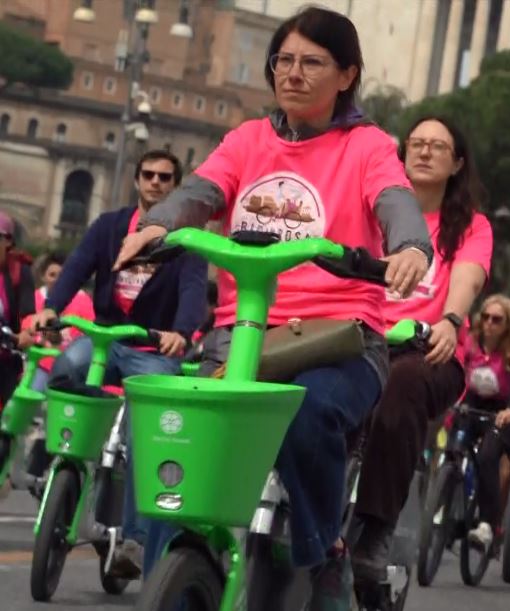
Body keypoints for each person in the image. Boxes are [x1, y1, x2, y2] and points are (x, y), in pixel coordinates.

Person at [112, 8, 432, 608]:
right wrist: (158, 224)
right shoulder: (247, 140)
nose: (293, 73)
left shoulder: (366, 145)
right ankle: (169, 571)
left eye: (312, 62)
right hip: (241, 338)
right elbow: (200, 192)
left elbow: (394, 199)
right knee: (170, 424)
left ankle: (324, 553)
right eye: (283, 60)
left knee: (308, 410)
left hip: (340, 341)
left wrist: (411, 246)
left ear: (347, 75)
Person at [30, 149, 208, 581]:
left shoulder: (186, 240)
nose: (155, 182)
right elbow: (77, 267)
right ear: (136, 180)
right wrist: (52, 307)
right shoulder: (110, 227)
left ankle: (134, 540)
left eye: (164, 177)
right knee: (65, 368)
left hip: (151, 350)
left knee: (146, 437)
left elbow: (193, 291)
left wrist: (181, 332)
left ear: (175, 186)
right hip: (105, 341)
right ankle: (65, 460)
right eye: (148, 174)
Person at [348, 115, 492, 584]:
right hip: (359, 338)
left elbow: (468, 276)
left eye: (438, 146)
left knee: (402, 384)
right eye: (417, 143)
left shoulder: (470, 227)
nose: (425, 152)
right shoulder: (371, 213)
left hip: (426, 351)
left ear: (458, 164)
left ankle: (375, 529)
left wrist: (451, 320)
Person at [459, 295, 510, 551]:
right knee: (454, 448)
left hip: (501, 414)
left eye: (497, 319)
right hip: (472, 406)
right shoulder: (471, 344)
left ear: (507, 324)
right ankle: (446, 502)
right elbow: (460, 374)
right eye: (486, 317)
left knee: (487, 456)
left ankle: (487, 523)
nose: (489, 323)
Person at [27, 253, 95, 391]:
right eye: (52, 275)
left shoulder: (83, 300)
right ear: (43, 277)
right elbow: (26, 328)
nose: (57, 280)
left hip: (72, 368)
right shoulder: (35, 298)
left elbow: (91, 334)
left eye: (61, 275)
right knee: (32, 393)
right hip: (42, 364)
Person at [0, 211, 35, 403]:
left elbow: (27, 314)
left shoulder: (19, 271)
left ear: (8, 242)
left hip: (6, 358)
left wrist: (27, 333)